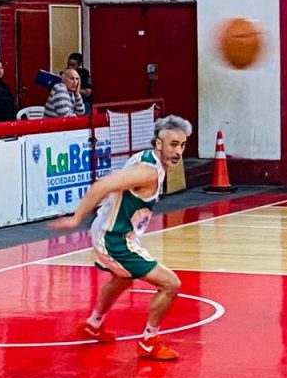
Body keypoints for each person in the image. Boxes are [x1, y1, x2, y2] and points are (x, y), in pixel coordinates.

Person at [49, 115, 192, 361]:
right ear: (158, 144)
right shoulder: (147, 172)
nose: (178, 151)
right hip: (114, 239)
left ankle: (94, 324)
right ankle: (149, 341)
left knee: (124, 277)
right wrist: (76, 218)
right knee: (170, 284)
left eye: (182, 145)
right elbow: (101, 186)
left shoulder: (149, 159)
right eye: (173, 144)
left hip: (119, 232)